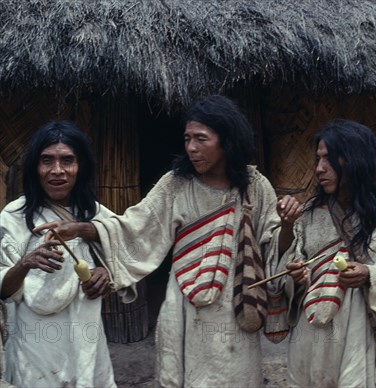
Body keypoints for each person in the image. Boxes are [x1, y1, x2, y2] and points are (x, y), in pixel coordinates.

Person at [35, 95, 301, 387]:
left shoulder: (255, 186)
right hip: (183, 308)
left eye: (201, 139)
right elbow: (136, 227)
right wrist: (82, 229)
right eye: (187, 138)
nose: (191, 147)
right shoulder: (175, 184)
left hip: (234, 310)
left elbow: (274, 248)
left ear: (226, 140)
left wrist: (287, 225)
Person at [267, 119, 376, 387]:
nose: (319, 169)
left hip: (356, 331)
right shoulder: (310, 214)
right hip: (311, 329)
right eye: (318, 159)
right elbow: (288, 268)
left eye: (329, 160)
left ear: (354, 159)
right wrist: (298, 274)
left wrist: (369, 274)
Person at [0, 120, 115, 387]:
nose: (57, 170)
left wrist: (104, 273)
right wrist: (25, 263)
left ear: (80, 166)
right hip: (34, 342)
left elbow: (121, 258)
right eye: (47, 161)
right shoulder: (12, 218)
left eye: (67, 160)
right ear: (34, 168)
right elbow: (3, 289)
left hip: (85, 335)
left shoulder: (96, 216)